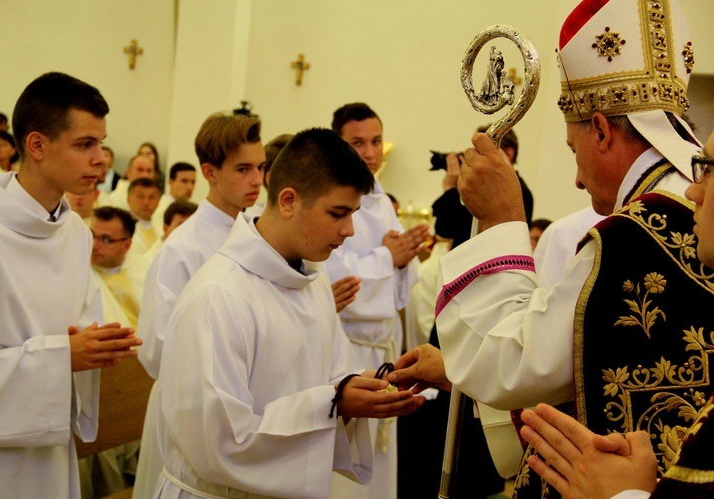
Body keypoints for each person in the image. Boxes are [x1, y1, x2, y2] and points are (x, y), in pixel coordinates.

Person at [389, 0, 708, 496]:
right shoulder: (699, 205)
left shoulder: (631, 237)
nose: (577, 180)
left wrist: (499, 220)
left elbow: (509, 366)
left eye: (572, 150)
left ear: (600, 130)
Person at [153, 127, 424, 498]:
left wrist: (363, 387)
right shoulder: (218, 295)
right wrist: (332, 401)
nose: (348, 230)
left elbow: (332, 374)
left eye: (353, 214)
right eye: (337, 213)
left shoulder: (312, 282)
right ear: (288, 201)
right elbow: (218, 442)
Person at [0, 72, 141, 498]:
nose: (101, 159)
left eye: (100, 143)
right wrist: (64, 356)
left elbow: (78, 332)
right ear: (37, 145)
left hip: (51, 451)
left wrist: (97, 346)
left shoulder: (76, 234)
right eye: (85, 145)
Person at [518, 131, 714, 499]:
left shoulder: (622, 235)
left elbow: (516, 369)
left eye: (708, 170)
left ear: (601, 131)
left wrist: (624, 495)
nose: (692, 191)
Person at [132, 113, 265, 499]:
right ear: (209, 171)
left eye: (260, 167)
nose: (257, 180)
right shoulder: (182, 248)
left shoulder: (261, 237)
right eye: (243, 169)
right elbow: (157, 349)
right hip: (190, 414)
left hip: (245, 409)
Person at [326, 102, 428, 499]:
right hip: (347, 348)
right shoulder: (330, 196)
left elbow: (403, 282)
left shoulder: (381, 200)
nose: (369, 153)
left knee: (382, 467)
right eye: (357, 143)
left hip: (382, 345)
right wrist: (389, 257)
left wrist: (401, 261)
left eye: (375, 141)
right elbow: (335, 277)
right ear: (339, 144)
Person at [152, 161, 196, 235]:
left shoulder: (194, 210)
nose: (190, 187)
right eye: (184, 181)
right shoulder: (159, 208)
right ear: (170, 182)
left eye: (193, 182)